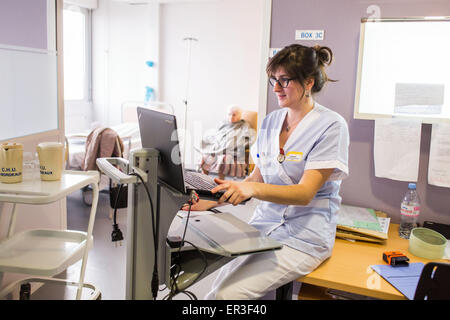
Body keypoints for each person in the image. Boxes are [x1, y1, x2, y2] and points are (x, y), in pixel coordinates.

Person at [183, 44, 349, 300]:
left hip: (304, 235)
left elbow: (305, 193)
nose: (275, 88)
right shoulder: (272, 122)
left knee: (227, 296)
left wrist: (250, 188)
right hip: (264, 226)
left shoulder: (331, 126)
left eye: (284, 80)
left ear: (308, 82)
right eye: (274, 80)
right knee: (215, 291)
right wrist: (211, 200)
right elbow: (255, 179)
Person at [197, 104, 256, 179]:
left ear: (240, 115)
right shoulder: (223, 123)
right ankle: (204, 178)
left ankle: (220, 180)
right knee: (205, 157)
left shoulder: (244, 125)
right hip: (218, 149)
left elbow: (248, 138)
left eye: (234, 115)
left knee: (223, 159)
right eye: (229, 114)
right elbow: (216, 134)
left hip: (233, 153)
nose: (231, 117)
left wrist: (233, 142)